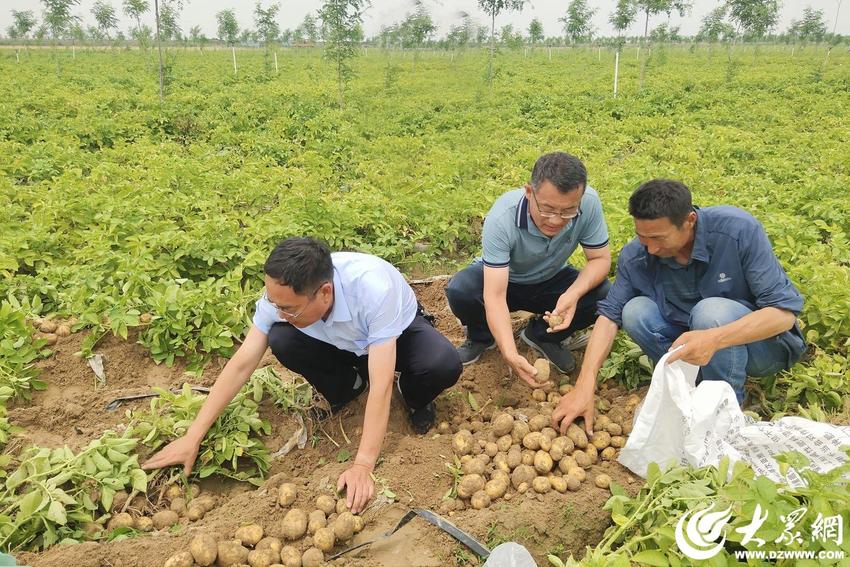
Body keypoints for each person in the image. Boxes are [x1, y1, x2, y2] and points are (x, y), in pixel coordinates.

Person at [142, 237, 462, 513]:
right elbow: (242, 363)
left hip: (395, 337)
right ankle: (348, 388)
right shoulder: (284, 296)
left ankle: (414, 395)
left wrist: (363, 465)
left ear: (324, 292)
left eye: (289, 309)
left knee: (441, 364)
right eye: (275, 304)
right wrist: (193, 435)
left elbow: (382, 387)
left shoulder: (373, 289)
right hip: (344, 345)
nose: (280, 312)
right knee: (282, 338)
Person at [553, 179, 806, 434]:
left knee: (711, 313)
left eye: (658, 238)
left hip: (761, 349)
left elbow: (783, 315)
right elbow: (609, 317)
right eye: (643, 237)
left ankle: (724, 411)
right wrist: (584, 385)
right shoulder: (638, 254)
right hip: (694, 343)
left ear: (690, 221)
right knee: (635, 311)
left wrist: (713, 339)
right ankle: (691, 388)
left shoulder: (737, 230)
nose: (650, 248)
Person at [445, 151, 612, 387]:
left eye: (568, 211)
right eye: (547, 209)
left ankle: (542, 335)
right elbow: (494, 295)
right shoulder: (503, 218)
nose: (556, 220)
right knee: (461, 290)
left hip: (552, 278)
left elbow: (600, 259)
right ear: (529, 192)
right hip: (505, 279)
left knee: (606, 296)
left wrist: (572, 294)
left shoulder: (589, 203)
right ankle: (482, 337)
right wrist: (510, 353)